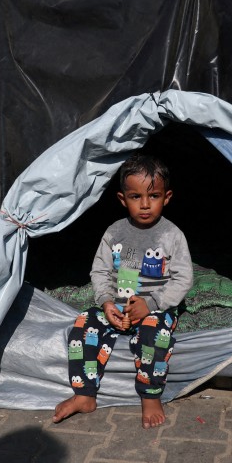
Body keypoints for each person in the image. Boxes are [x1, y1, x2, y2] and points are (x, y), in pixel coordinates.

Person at [52, 152, 192, 429]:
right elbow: (100, 271)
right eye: (135, 196)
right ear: (122, 199)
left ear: (167, 198)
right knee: (83, 324)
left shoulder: (172, 235)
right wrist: (106, 303)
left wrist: (151, 305)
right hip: (117, 307)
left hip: (156, 308)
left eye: (153, 196)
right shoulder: (114, 232)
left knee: (155, 335)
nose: (144, 205)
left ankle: (151, 396)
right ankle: (85, 394)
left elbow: (183, 279)